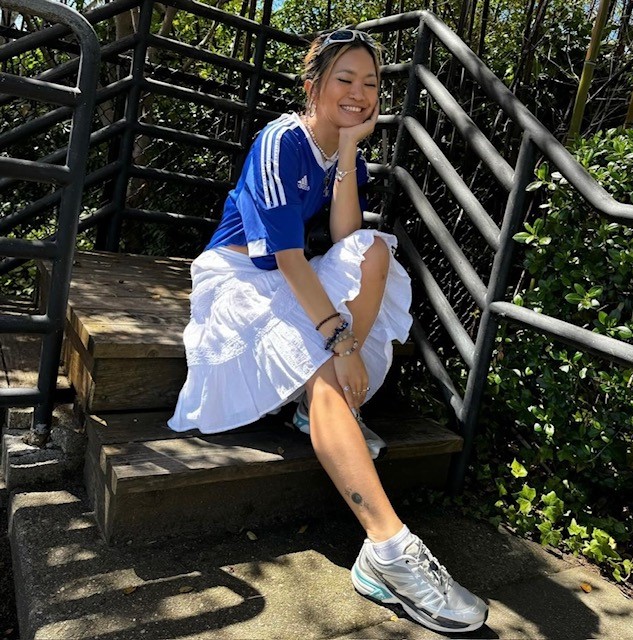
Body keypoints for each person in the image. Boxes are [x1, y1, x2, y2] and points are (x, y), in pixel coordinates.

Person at [168, 28, 488, 634]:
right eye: (346, 79)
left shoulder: (347, 150)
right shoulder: (279, 141)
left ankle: (326, 404)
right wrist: (341, 343)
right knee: (321, 369)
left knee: (374, 249)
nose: (361, 93)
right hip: (237, 280)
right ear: (311, 85)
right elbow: (289, 259)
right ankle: (390, 549)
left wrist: (347, 150)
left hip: (283, 280)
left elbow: (346, 239)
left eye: (371, 84)